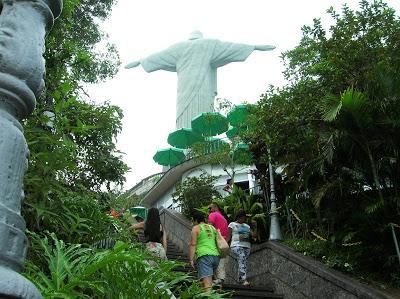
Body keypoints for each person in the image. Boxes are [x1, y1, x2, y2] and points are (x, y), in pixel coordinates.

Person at [126, 31, 275, 129]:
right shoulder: (209, 44)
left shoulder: (177, 48)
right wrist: (254, 47)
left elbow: (158, 56)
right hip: (201, 88)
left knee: (189, 119)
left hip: (184, 91)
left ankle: (194, 148)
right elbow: (230, 48)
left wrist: (140, 61)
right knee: (200, 118)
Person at [189, 211, 220, 291]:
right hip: (216, 256)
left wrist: (191, 259)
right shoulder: (212, 227)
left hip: (204, 256)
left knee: (207, 286)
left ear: (196, 220)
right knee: (205, 281)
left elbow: (193, 244)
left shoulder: (196, 228)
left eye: (193, 220)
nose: (193, 223)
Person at [227, 210, 256, 286]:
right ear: (238, 217)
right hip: (236, 245)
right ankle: (243, 279)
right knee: (242, 257)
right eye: (243, 218)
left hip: (247, 246)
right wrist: (225, 245)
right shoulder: (232, 224)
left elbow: (253, 235)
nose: (244, 220)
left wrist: (255, 226)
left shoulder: (247, 226)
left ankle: (240, 278)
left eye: (245, 218)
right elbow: (228, 236)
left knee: (243, 261)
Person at [207, 203, 229, 286]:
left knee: (212, 260)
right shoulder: (224, 218)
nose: (208, 210)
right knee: (221, 260)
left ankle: (214, 280)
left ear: (215, 207)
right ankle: (221, 279)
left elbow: (209, 228)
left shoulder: (213, 215)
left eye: (210, 208)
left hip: (215, 241)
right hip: (223, 242)